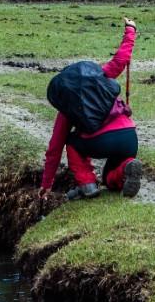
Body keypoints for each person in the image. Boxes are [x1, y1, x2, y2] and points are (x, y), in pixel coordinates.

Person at [41, 22, 141, 200]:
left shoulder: (68, 106)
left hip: (102, 141)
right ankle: (128, 167)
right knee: (110, 178)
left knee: (70, 141)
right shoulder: (101, 77)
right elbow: (121, 60)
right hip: (129, 136)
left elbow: (54, 149)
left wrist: (46, 184)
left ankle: (87, 184)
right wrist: (130, 31)